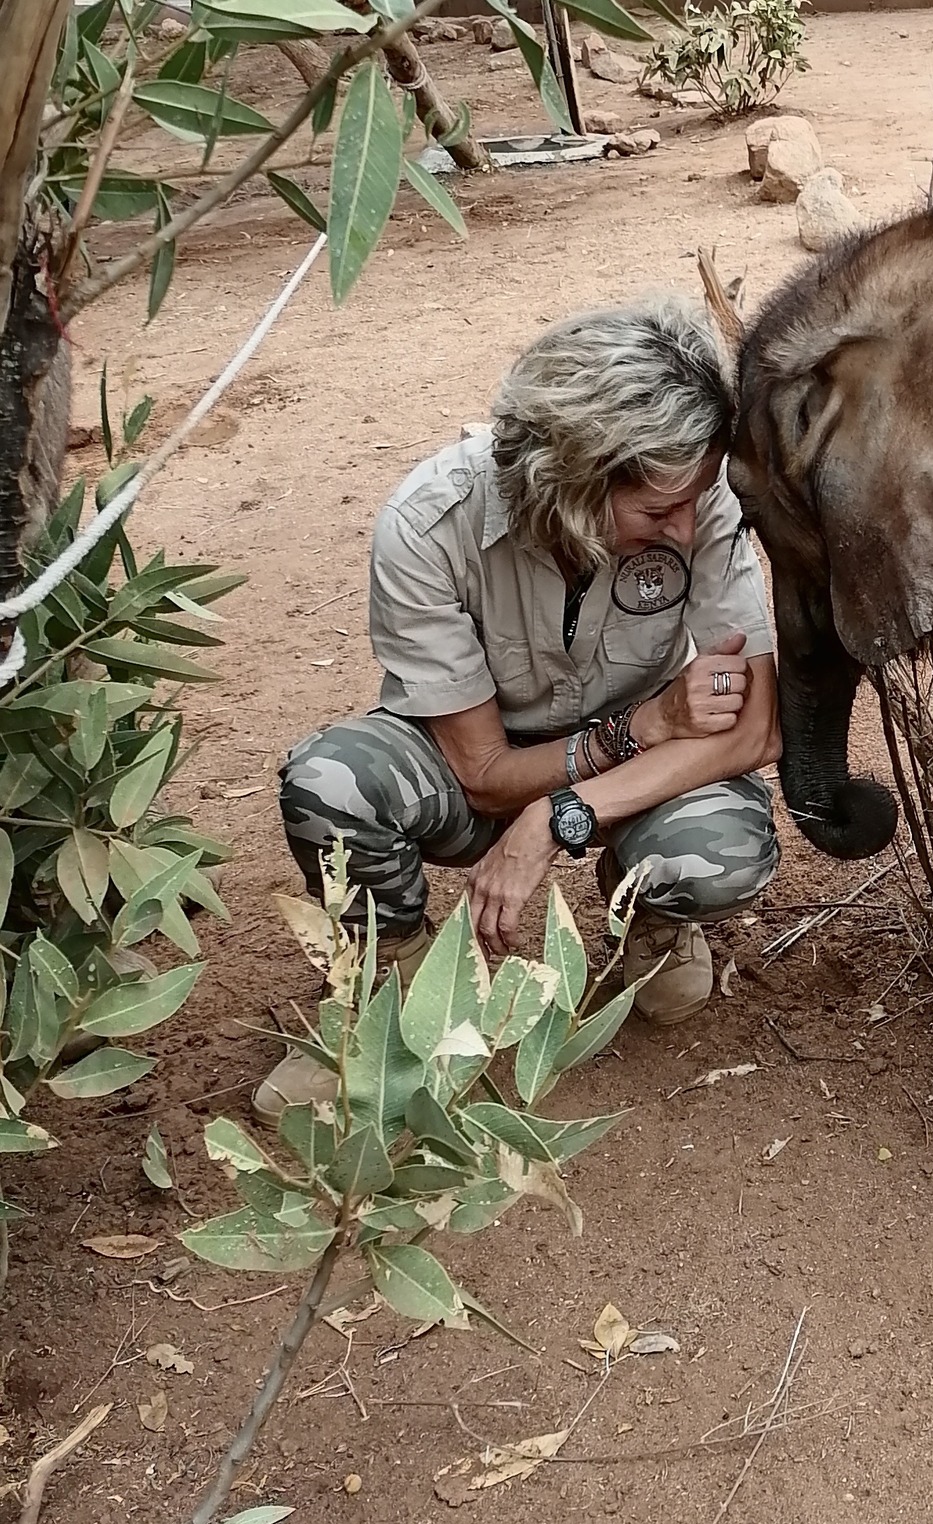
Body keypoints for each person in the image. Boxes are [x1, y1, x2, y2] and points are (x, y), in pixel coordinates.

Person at [262, 295, 780, 1124]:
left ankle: (643, 913)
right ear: (571, 485)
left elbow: (756, 730)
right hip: (485, 767)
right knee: (333, 783)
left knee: (718, 853)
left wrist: (560, 819)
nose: (687, 532)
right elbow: (484, 772)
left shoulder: (698, 495)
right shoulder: (428, 526)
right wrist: (634, 731)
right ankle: (394, 974)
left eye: (695, 502)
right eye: (655, 514)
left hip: (636, 770)